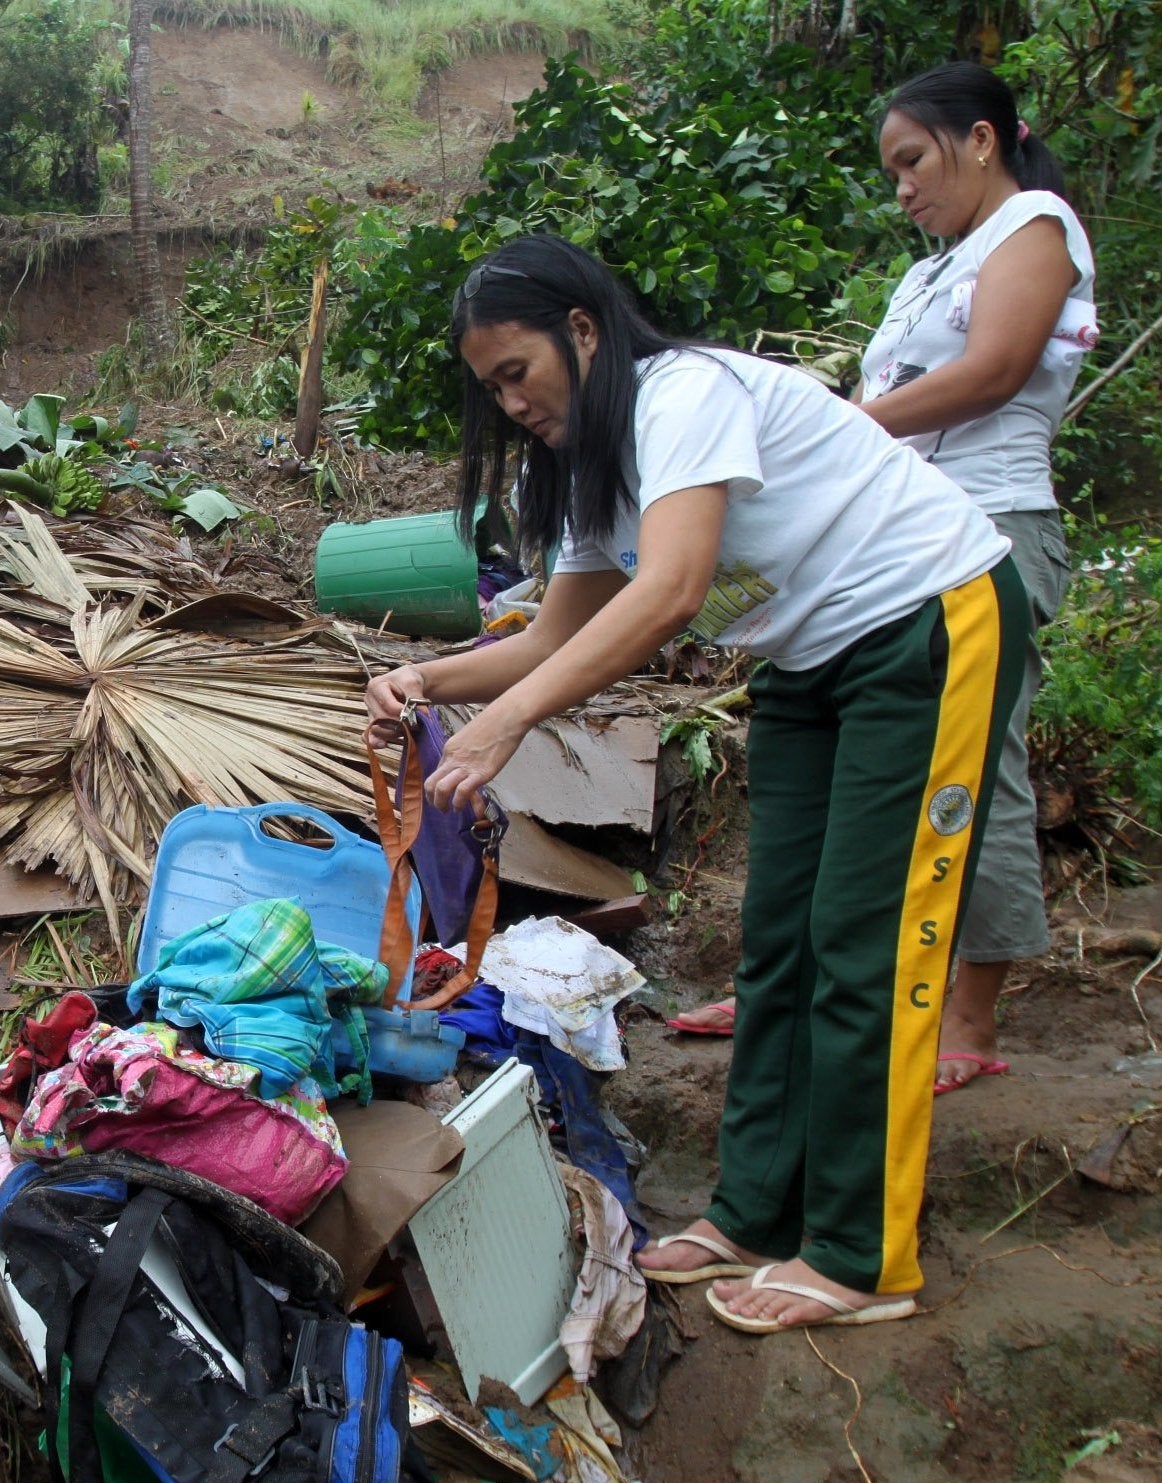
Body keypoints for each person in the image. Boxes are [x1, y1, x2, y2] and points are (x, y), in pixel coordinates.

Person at [364, 233, 1026, 1332]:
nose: (510, 401)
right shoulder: (584, 468)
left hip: (924, 624)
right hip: (810, 661)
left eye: (516, 371)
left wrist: (506, 729)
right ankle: (754, 1209)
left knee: (868, 941)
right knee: (779, 941)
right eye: (490, 388)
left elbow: (668, 592)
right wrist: (421, 678)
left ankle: (865, 1256)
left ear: (581, 330)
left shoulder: (685, 395)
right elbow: (549, 638)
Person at [672, 64, 1096, 1092]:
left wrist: (835, 430)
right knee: (825, 773)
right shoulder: (925, 273)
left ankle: (969, 1015)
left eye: (911, 161)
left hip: (984, 530)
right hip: (878, 549)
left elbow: (992, 370)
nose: (900, 187)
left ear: (981, 140)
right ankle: (795, 981)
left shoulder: (1032, 226)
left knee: (973, 771)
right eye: (890, 171)